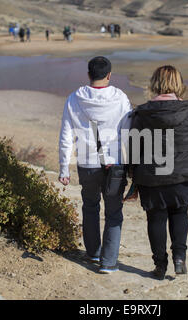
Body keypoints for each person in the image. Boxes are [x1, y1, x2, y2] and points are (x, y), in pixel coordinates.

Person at [128, 65, 188, 280]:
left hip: (152, 177)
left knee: (155, 218)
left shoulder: (142, 112)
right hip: (183, 177)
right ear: (178, 84)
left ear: (154, 84)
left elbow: (134, 149)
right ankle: (179, 259)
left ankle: (160, 266)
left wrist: (134, 180)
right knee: (179, 213)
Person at [58, 56, 132, 274]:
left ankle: (93, 253)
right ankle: (108, 262)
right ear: (109, 75)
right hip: (114, 164)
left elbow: (66, 136)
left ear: (89, 74)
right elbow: (129, 132)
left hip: (87, 163)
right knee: (114, 212)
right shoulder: (120, 98)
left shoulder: (74, 98)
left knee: (90, 207)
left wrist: (64, 168)